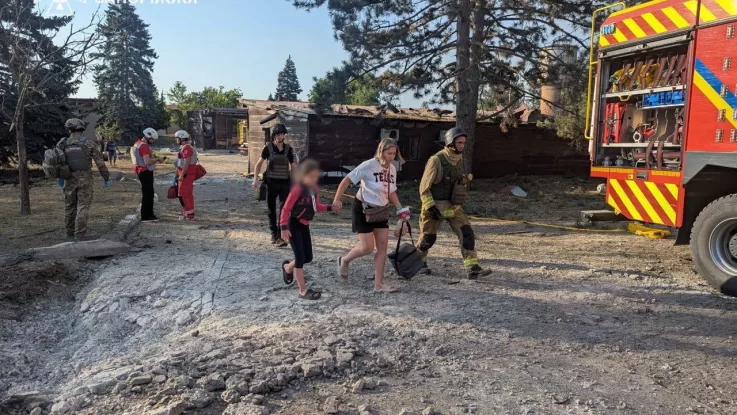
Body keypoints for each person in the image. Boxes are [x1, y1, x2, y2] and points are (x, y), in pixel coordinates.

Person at [332, 138, 410, 293]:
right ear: (381, 151)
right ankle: (345, 260)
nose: (391, 157)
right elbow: (346, 181)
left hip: (381, 210)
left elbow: (391, 191)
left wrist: (401, 210)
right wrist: (337, 199)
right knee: (367, 247)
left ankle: (378, 285)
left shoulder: (392, 169)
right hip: (363, 208)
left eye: (394, 154)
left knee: (382, 248)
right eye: (389, 153)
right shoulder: (368, 165)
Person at [416, 127, 489, 279]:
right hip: (435, 207)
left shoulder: (458, 160)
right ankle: (418, 263)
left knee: (467, 234)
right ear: (450, 142)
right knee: (428, 239)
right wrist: (430, 207)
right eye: (459, 143)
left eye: (464, 143)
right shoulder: (436, 160)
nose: (462, 146)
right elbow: (424, 187)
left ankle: (473, 268)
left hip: (453, 207)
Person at [280, 159, 338, 300]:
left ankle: (288, 268)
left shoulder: (314, 190)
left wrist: (330, 207)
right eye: (311, 176)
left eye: (316, 177)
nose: (314, 179)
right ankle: (303, 290)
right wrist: (283, 227)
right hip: (293, 225)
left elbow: (316, 206)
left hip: (305, 225)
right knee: (300, 258)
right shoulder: (297, 189)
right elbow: (285, 209)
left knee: (308, 257)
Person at [57, 118, 110, 240]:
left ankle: (69, 233)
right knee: (83, 206)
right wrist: (106, 178)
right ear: (82, 129)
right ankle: (80, 234)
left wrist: (59, 177)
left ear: (69, 129)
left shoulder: (62, 143)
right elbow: (100, 163)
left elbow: (58, 162)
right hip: (85, 178)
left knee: (69, 206)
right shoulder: (89, 143)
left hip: (68, 178)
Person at [251, 123, 296, 247]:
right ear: (274, 135)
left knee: (284, 209)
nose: (280, 136)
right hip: (271, 183)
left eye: (282, 134)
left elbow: (293, 167)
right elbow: (258, 164)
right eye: (278, 134)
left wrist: (296, 182)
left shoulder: (288, 149)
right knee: (271, 210)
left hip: (285, 183)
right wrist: (255, 179)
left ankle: (281, 236)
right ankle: (273, 234)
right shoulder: (268, 148)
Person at [131, 127, 165, 222]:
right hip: (145, 171)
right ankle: (147, 215)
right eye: (152, 139)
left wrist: (153, 157)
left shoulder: (137, 144)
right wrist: (157, 159)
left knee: (147, 193)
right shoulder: (144, 146)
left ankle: (148, 214)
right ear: (148, 137)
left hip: (140, 170)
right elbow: (147, 161)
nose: (153, 141)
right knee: (148, 194)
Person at [174, 130, 198, 220]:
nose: (176, 140)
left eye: (177, 138)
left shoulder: (186, 148)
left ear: (181, 138)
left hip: (186, 174)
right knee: (188, 194)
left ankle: (188, 214)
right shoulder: (185, 147)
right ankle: (189, 213)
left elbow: (186, 163)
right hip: (187, 173)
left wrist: (182, 175)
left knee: (182, 194)